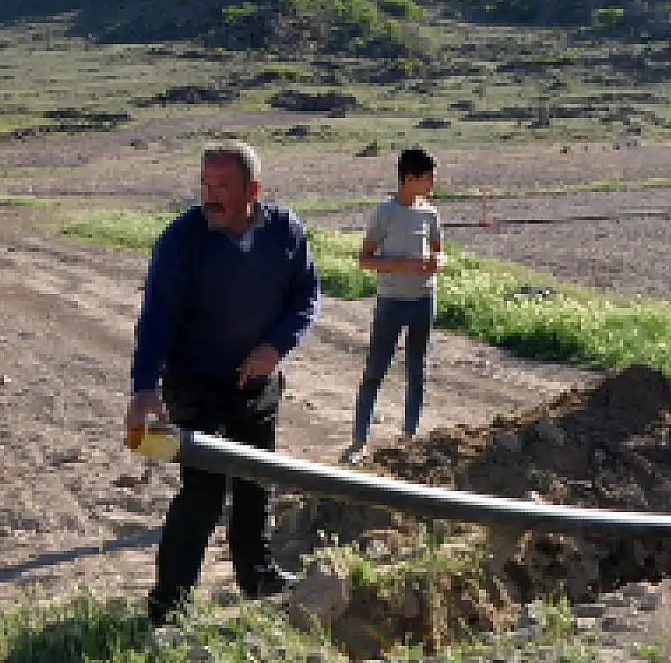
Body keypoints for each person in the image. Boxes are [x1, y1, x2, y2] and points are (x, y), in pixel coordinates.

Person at [125, 140, 321, 627]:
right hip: (193, 384)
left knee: (256, 482)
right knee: (203, 491)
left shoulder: (285, 232)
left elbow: (306, 295)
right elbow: (156, 318)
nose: (209, 196)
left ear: (253, 190)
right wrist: (145, 386)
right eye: (205, 185)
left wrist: (275, 346)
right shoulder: (181, 240)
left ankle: (256, 577)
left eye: (221, 187)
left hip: (256, 383)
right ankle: (168, 604)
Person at [342, 148, 444, 465]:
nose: (433, 183)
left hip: (423, 300)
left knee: (417, 371)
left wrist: (435, 262)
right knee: (375, 371)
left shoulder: (431, 214)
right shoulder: (384, 213)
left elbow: (441, 252)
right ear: (409, 178)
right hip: (391, 303)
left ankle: (409, 436)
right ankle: (359, 439)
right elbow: (365, 259)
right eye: (428, 177)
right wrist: (402, 264)